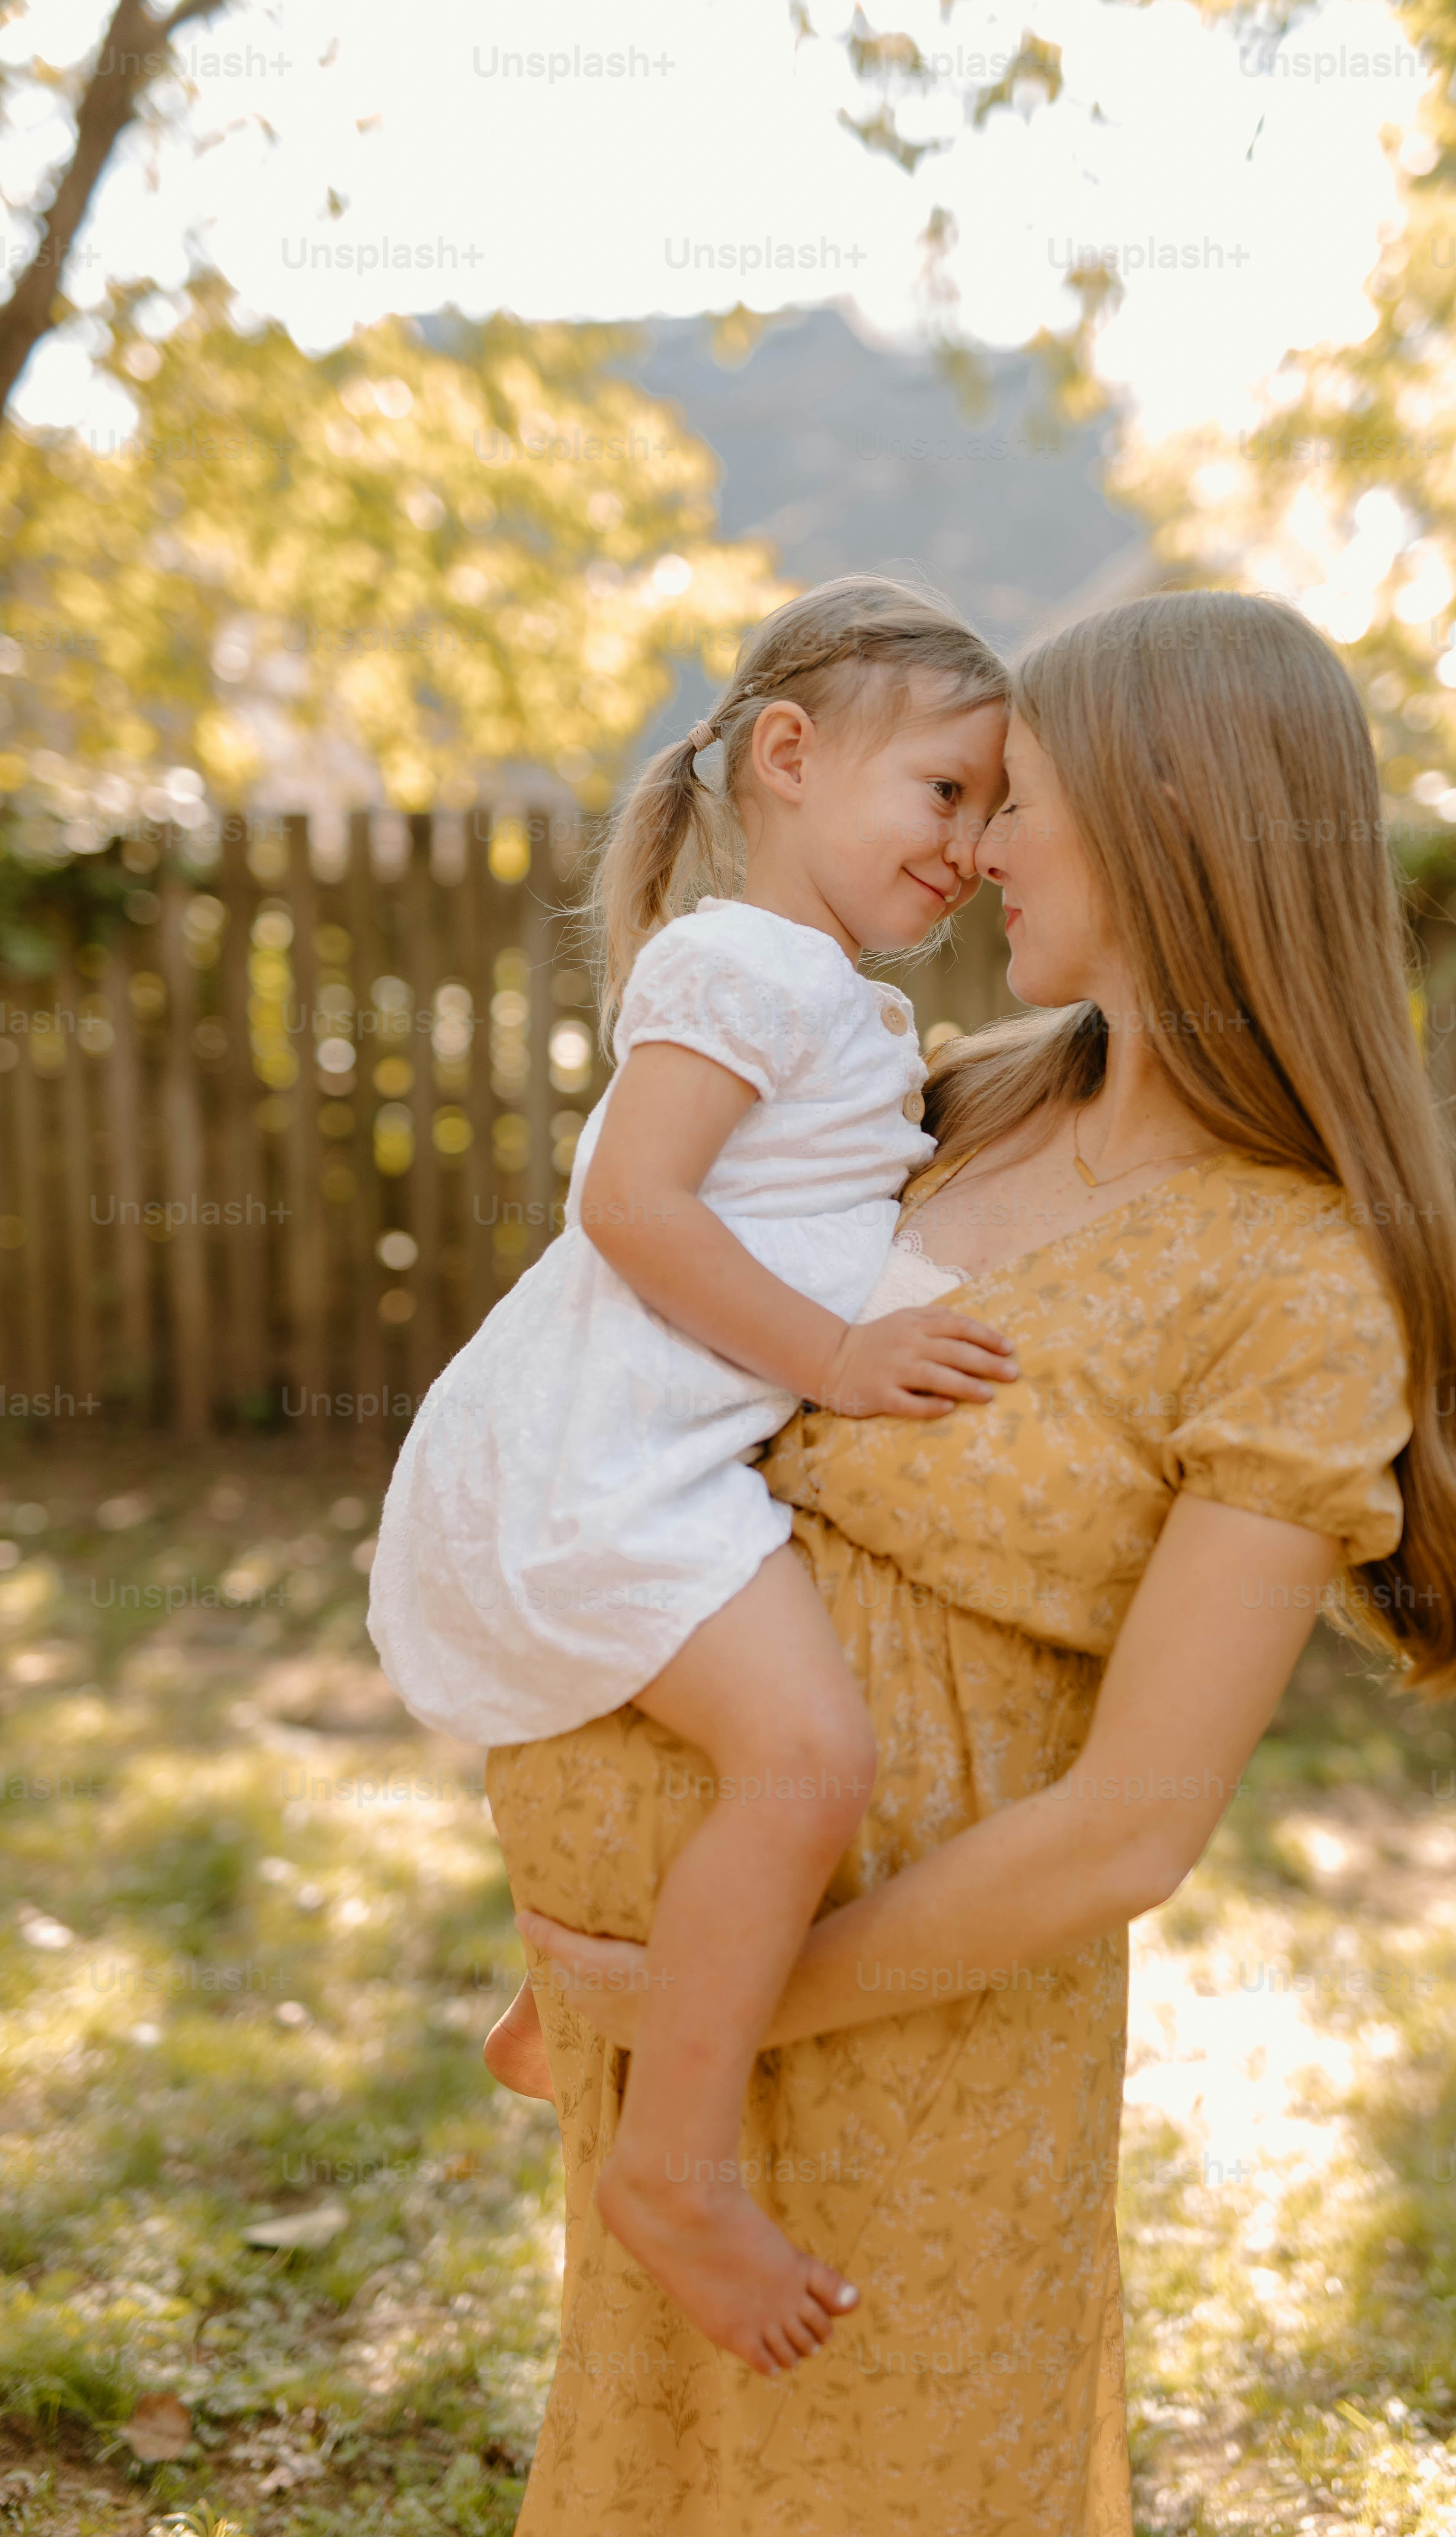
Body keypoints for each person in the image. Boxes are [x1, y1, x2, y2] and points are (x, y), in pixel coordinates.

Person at [481, 589, 1456, 2537]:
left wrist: (731, 2006)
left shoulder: (1298, 1281)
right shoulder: (949, 1106)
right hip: (673, 2031)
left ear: (1163, 825)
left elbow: (1134, 1828)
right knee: (663, 2488)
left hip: (916, 2046)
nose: (973, 851)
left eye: (1014, 798)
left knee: (886, 2496)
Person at [367, 578, 1013, 2375]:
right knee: (805, 1763)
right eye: (946, 792)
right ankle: (673, 2168)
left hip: (653, 1448)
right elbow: (631, 1205)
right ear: (791, 759)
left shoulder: (824, 993)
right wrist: (839, 1363)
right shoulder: (740, 962)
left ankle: (559, 2014)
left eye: (996, 810)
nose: (972, 846)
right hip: (609, 1467)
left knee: (736, 1765)